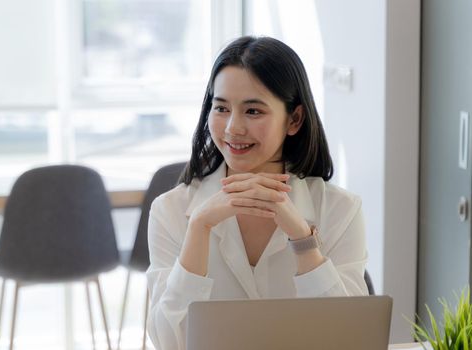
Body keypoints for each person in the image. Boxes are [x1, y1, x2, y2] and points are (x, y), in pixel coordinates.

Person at [145, 36, 368, 350]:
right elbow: (171, 342)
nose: (233, 128)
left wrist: (302, 238)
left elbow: (352, 339)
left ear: (294, 119)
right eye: (221, 107)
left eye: (253, 111)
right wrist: (198, 228)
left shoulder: (340, 209)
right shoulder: (169, 210)